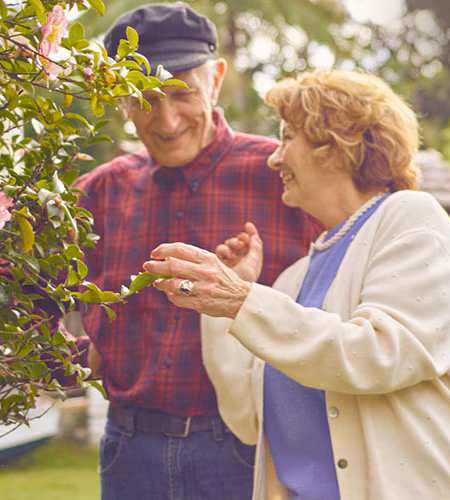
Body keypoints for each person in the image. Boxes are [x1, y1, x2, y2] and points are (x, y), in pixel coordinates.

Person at [143, 68, 450, 499]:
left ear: (336, 145)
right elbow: (246, 418)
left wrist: (239, 299)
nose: (274, 158)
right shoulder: (293, 279)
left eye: (288, 137)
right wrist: (222, 304)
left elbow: (379, 354)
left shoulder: (412, 219)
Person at [68, 3, 321, 500]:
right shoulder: (96, 193)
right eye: (145, 98)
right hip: (129, 451)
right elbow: (21, 293)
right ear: (121, 100)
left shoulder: (283, 176)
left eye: (182, 92)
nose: (166, 120)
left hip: (251, 448)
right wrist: (81, 358)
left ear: (216, 79)